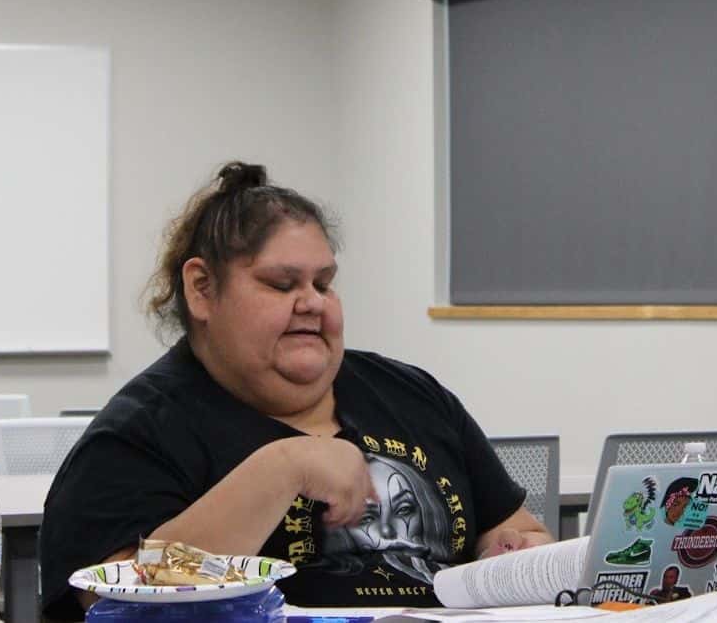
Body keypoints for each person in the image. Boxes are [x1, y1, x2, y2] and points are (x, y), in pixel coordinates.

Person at [39, 162, 551, 617]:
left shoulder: (413, 395)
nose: (312, 303)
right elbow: (121, 602)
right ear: (201, 289)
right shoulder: (138, 433)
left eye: (323, 284)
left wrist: (514, 550)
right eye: (282, 285)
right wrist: (285, 468)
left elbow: (520, 532)